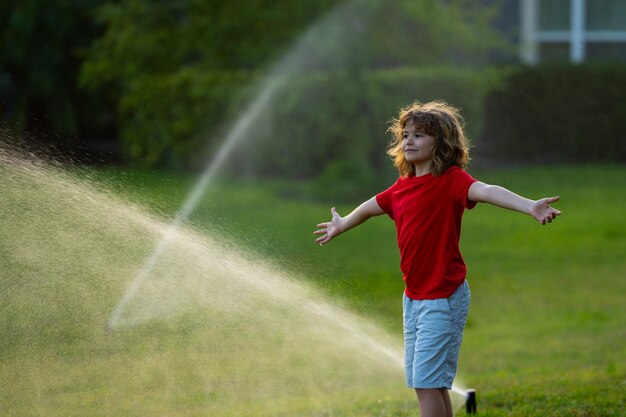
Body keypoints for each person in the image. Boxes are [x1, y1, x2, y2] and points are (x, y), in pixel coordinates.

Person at [313, 101, 561, 417]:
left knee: (427, 383)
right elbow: (370, 207)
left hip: (443, 296)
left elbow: (486, 190)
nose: (409, 141)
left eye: (419, 135)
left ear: (440, 142)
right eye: (405, 135)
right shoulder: (401, 188)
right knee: (427, 383)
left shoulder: (451, 181)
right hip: (414, 298)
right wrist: (342, 223)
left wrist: (529, 206)